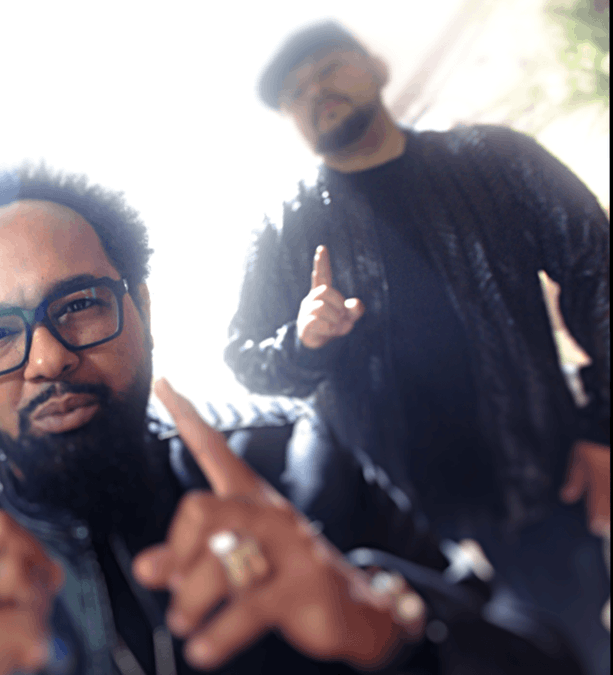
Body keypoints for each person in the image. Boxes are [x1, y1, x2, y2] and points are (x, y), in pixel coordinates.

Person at [0, 166, 583, 674]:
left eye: (80, 304)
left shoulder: (294, 457)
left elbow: (541, 653)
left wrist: (387, 628)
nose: (46, 358)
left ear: (142, 308)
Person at [225, 21, 610, 673]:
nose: (315, 91)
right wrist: (304, 339)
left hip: (542, 489)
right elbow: (246, 358)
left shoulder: (494, 160)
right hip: (407, 536)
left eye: (328, 68)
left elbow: (596, 272)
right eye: (294, 92)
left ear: (375, 66)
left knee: (579, 655)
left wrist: (602, 426)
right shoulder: (284, 228)